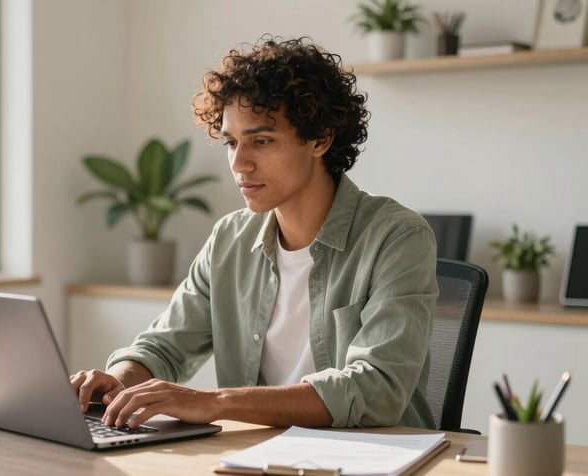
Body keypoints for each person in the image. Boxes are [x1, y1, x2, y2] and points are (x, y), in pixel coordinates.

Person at [71, 35, 438, 430]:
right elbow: (164, 346)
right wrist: (118, 381)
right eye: (231, 143)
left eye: (261, 141)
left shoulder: (397, 237)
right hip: (254, 456)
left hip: (372, 458)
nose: (239, 163)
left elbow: (375, 390)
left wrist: (215, 403)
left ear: (320, 139)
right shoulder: (229, 239)